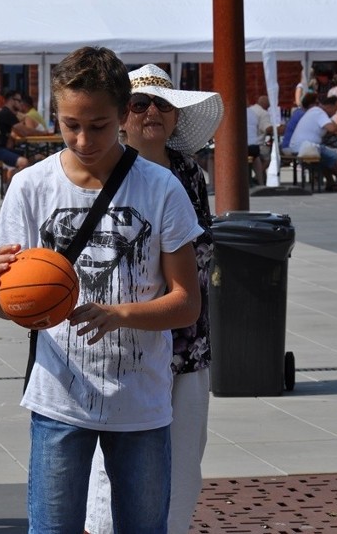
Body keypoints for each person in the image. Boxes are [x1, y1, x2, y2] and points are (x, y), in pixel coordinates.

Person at [0, 47, 202, 533]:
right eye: (70, 125)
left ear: (125, 114)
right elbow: (2, 306)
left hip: (141, 399)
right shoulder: (29, 187)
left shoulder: (161, 187)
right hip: (59, 397)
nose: (84, 139)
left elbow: (187, 303)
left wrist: (121, 314)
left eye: (99, 125)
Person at [81, 64, 221, 534]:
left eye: (164, 104)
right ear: (123, 115)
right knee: (112, 465)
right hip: (125, 340)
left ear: (177, 118)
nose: (152, 113)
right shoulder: (103, 172)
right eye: (140, 104)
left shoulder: (188, 173)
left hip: (187, 341)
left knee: (183, 460)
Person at [288, 95, 337, 190]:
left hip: (298, 147)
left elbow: (325, 130)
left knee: (326, 159)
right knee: (335, 156)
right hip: (306, 147)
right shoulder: (320, 112)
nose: (335, 113)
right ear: (329, 106)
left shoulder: (315, 111)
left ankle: (333, 183)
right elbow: (332, 128)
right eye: (335, 109)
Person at [0, 89, 34, 189]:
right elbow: (25, 132)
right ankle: (10, 190)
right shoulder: (6, 113)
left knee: (32, 157)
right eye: (19, 101)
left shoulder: (6, 113)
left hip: (0, 148)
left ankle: (11, 185)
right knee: (24, 162)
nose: (21, 103)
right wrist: (45, 133)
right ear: (11, 100)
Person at [246, 95, 275, 185]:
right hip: (256, 146)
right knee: (267, 158)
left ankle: (252, 179)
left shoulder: (252, 110)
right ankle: (259, 180)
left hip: (247, 147)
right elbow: (267, 128)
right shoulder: (262, 113)